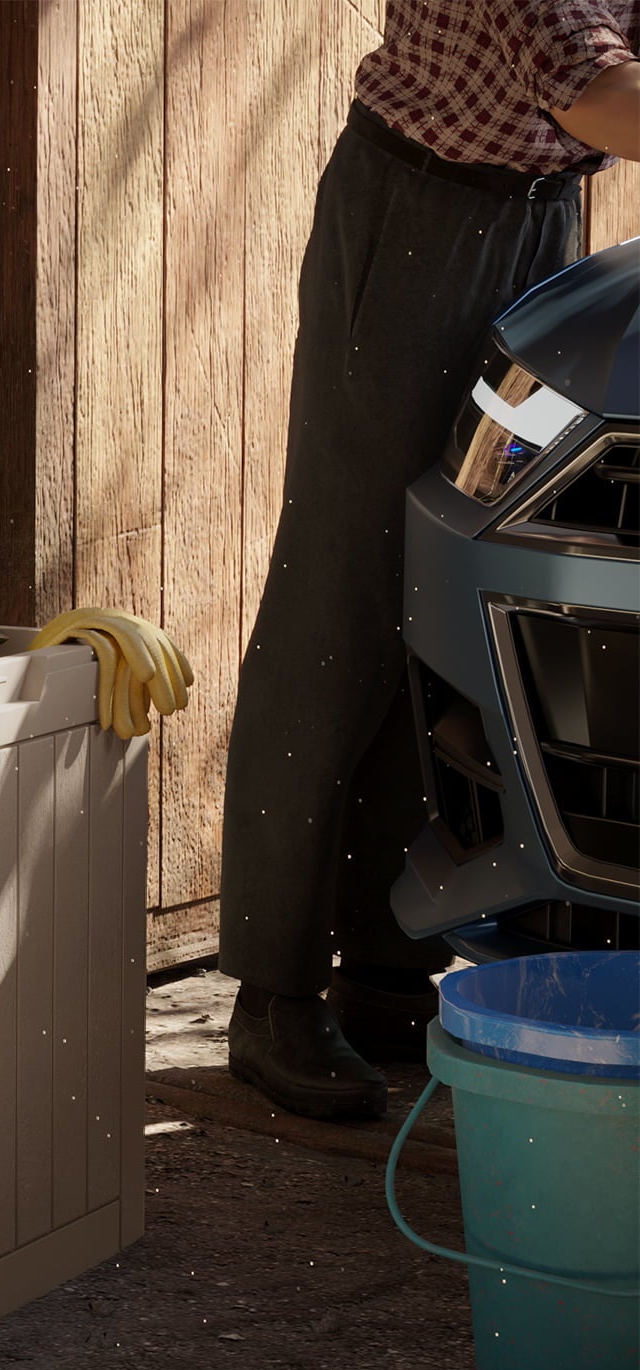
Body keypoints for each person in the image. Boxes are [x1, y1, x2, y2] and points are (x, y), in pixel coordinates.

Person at [219, 0, 640, 1120]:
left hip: (538, 224)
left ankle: (390, 974)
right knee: (342, 606)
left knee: (454, 595)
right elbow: (593, 86)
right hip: (418, 221)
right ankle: (272, 996)